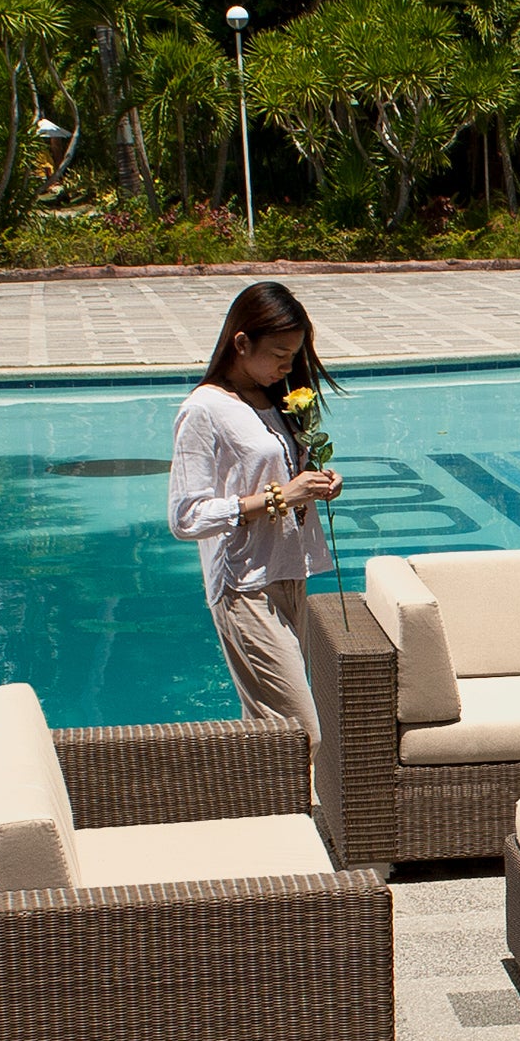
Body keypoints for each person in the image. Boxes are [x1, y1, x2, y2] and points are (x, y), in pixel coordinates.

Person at [168, 281, 346, 747]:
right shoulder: (203, 410)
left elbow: (284, 474)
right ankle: (296, 817)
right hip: (245, 585)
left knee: (269, 733)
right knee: (301, 734)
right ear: (241, 342)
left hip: (290, 574)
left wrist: (316, 482)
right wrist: (280, 497)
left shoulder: (275, 401)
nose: (289, 367)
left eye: (295, 356)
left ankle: (269, 814)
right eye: (280, 355)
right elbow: (186, 517)